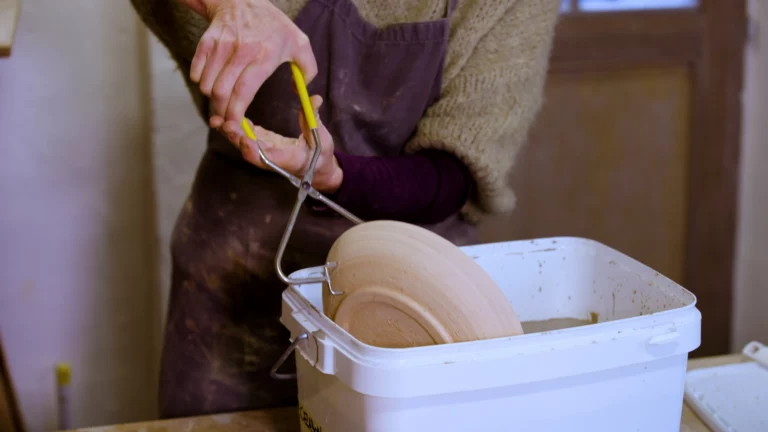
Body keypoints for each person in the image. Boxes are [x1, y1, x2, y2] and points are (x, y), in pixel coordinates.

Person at [130, 0, 560, 419]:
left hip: (413, 286)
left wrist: (333, 176)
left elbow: (452, 173)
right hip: (236, 274)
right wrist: (228, 6)